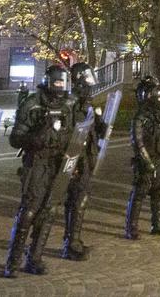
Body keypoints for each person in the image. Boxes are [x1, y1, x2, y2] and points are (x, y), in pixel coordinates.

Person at [3, 64, 74, 277]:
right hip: (36, 163)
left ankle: (34, 258)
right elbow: (16, 137)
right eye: (57, 82)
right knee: (29, 211)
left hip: (58, 165)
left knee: (49, 212)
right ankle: (13, 261)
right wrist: (35, 139)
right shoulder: (32, 104)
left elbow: (71, 135)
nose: (60, 86)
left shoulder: (68, 105)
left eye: (63, 82)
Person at [61, 63, 106, 261]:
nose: (90, 82)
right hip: (73, 159)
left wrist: (100, 120)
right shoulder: (70, 103)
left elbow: (99, 131)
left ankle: (73, 240)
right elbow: (66, 133)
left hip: (87, 156)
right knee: (74, 199)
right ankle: (71, 244)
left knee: (80, 200)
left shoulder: (88, 102)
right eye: (87, 77)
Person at [126, 82, 160, 240]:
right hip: (146, 161)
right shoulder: (141, 117)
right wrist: (147, 162)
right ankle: (132, 227)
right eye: (158, 95)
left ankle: (158, 224)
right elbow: (138, 142)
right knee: (139, 193)